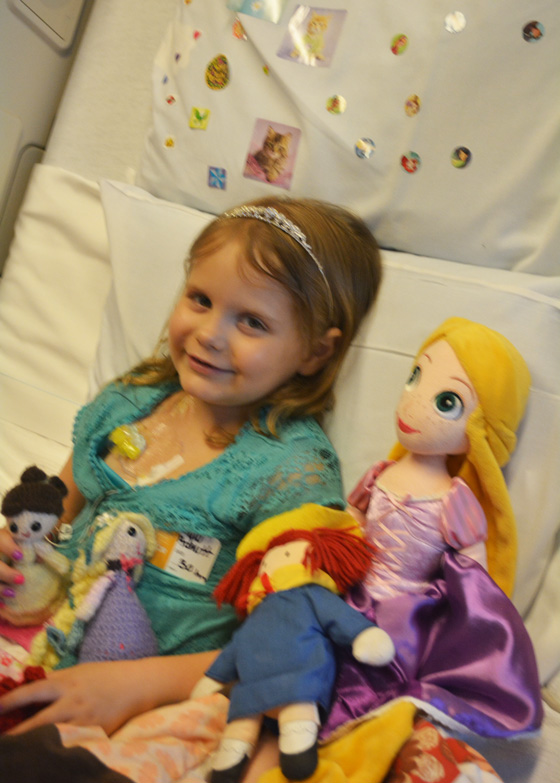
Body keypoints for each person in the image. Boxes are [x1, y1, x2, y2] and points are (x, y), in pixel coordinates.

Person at [0, 195, 382, 742]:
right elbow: (56, 509)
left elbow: (282, 642)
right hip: (44, 636)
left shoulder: (289, 470)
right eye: (200, 299)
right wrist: (16, 548)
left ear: (315, 353)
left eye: (251, 321)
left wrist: (133, 686)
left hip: (160, 696)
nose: (209, 333)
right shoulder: (133, 399)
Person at [321, 317, 543, 742]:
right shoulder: (380, 474)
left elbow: (473, 572)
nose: (415, 403)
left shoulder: (454, 499)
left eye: (446, 402)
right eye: (415, 377)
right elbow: (352, 523)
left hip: (408, 611)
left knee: (379, 671)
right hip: (354, 588)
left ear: (479, 429)